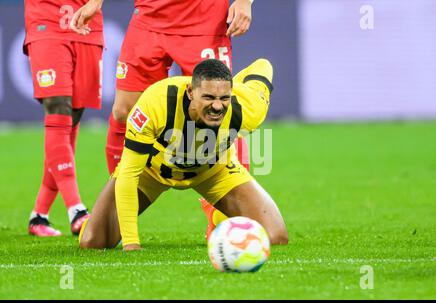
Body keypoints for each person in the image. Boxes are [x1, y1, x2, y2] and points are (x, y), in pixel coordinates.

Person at [70, 0, 254, 238]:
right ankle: (115, 209)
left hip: (205, 19)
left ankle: (220, 218)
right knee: (123, 112)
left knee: (217, 112)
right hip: (150, 17)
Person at [79, 58, 289, 251]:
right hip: (152, 172)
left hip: (214, 172)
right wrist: (131, 243)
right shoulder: (155, 102)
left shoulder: (246, 109)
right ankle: (91, 222)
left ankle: (218, 217)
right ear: (190, 92)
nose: (217, 106)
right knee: (92, 242)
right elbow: (128, 174)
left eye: (224, 97)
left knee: (274, 236)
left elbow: (263, 65)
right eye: (208, 97)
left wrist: (238, 83)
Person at [24, 0, 104, 236]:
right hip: (46, 21)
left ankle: (39, 215)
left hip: (88, 24)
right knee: (58, 107)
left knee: (72, 118)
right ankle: (76, 210)